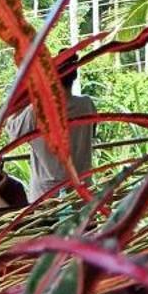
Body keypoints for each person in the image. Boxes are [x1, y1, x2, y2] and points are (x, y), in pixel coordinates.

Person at [11, 47, 94, 199]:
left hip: (46, 199)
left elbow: (12, 131)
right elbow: (92, 132)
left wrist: (27, 93)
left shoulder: (36, 112)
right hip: (81, 195)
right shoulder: (87, 105)